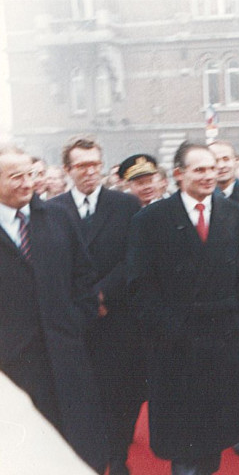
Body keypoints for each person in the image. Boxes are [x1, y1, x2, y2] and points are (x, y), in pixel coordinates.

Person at [126, 141, 239, 475]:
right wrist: (168, 328)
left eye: (212, 168)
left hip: (222, 342)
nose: (208, 175)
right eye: (199, 169)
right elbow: (140, 284)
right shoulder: (151, 219)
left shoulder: (236, 215)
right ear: (179, 174)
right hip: (175, 346)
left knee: (213, 438)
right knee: (183, 444)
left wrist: (237, 322)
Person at [0, 145, 108, 472]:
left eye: (30, 174)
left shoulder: (58, 217)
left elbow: (84, 277)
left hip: (66, 355)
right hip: (13, 363)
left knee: (78, 444)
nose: (25, 183)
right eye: (14, 176)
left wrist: (74, 322)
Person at [50, 136, 145, 475]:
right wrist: (85, 302)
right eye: (82, 166)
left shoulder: (125, 205)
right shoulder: (51, 209)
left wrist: (103, 295)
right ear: (67, 170)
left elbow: (134, 258)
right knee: (81, 397)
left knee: (119, 394)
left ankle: (117, 458)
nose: (90, 172)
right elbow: (52, 266)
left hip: (116, 317)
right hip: (76, 320)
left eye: (95, 165)